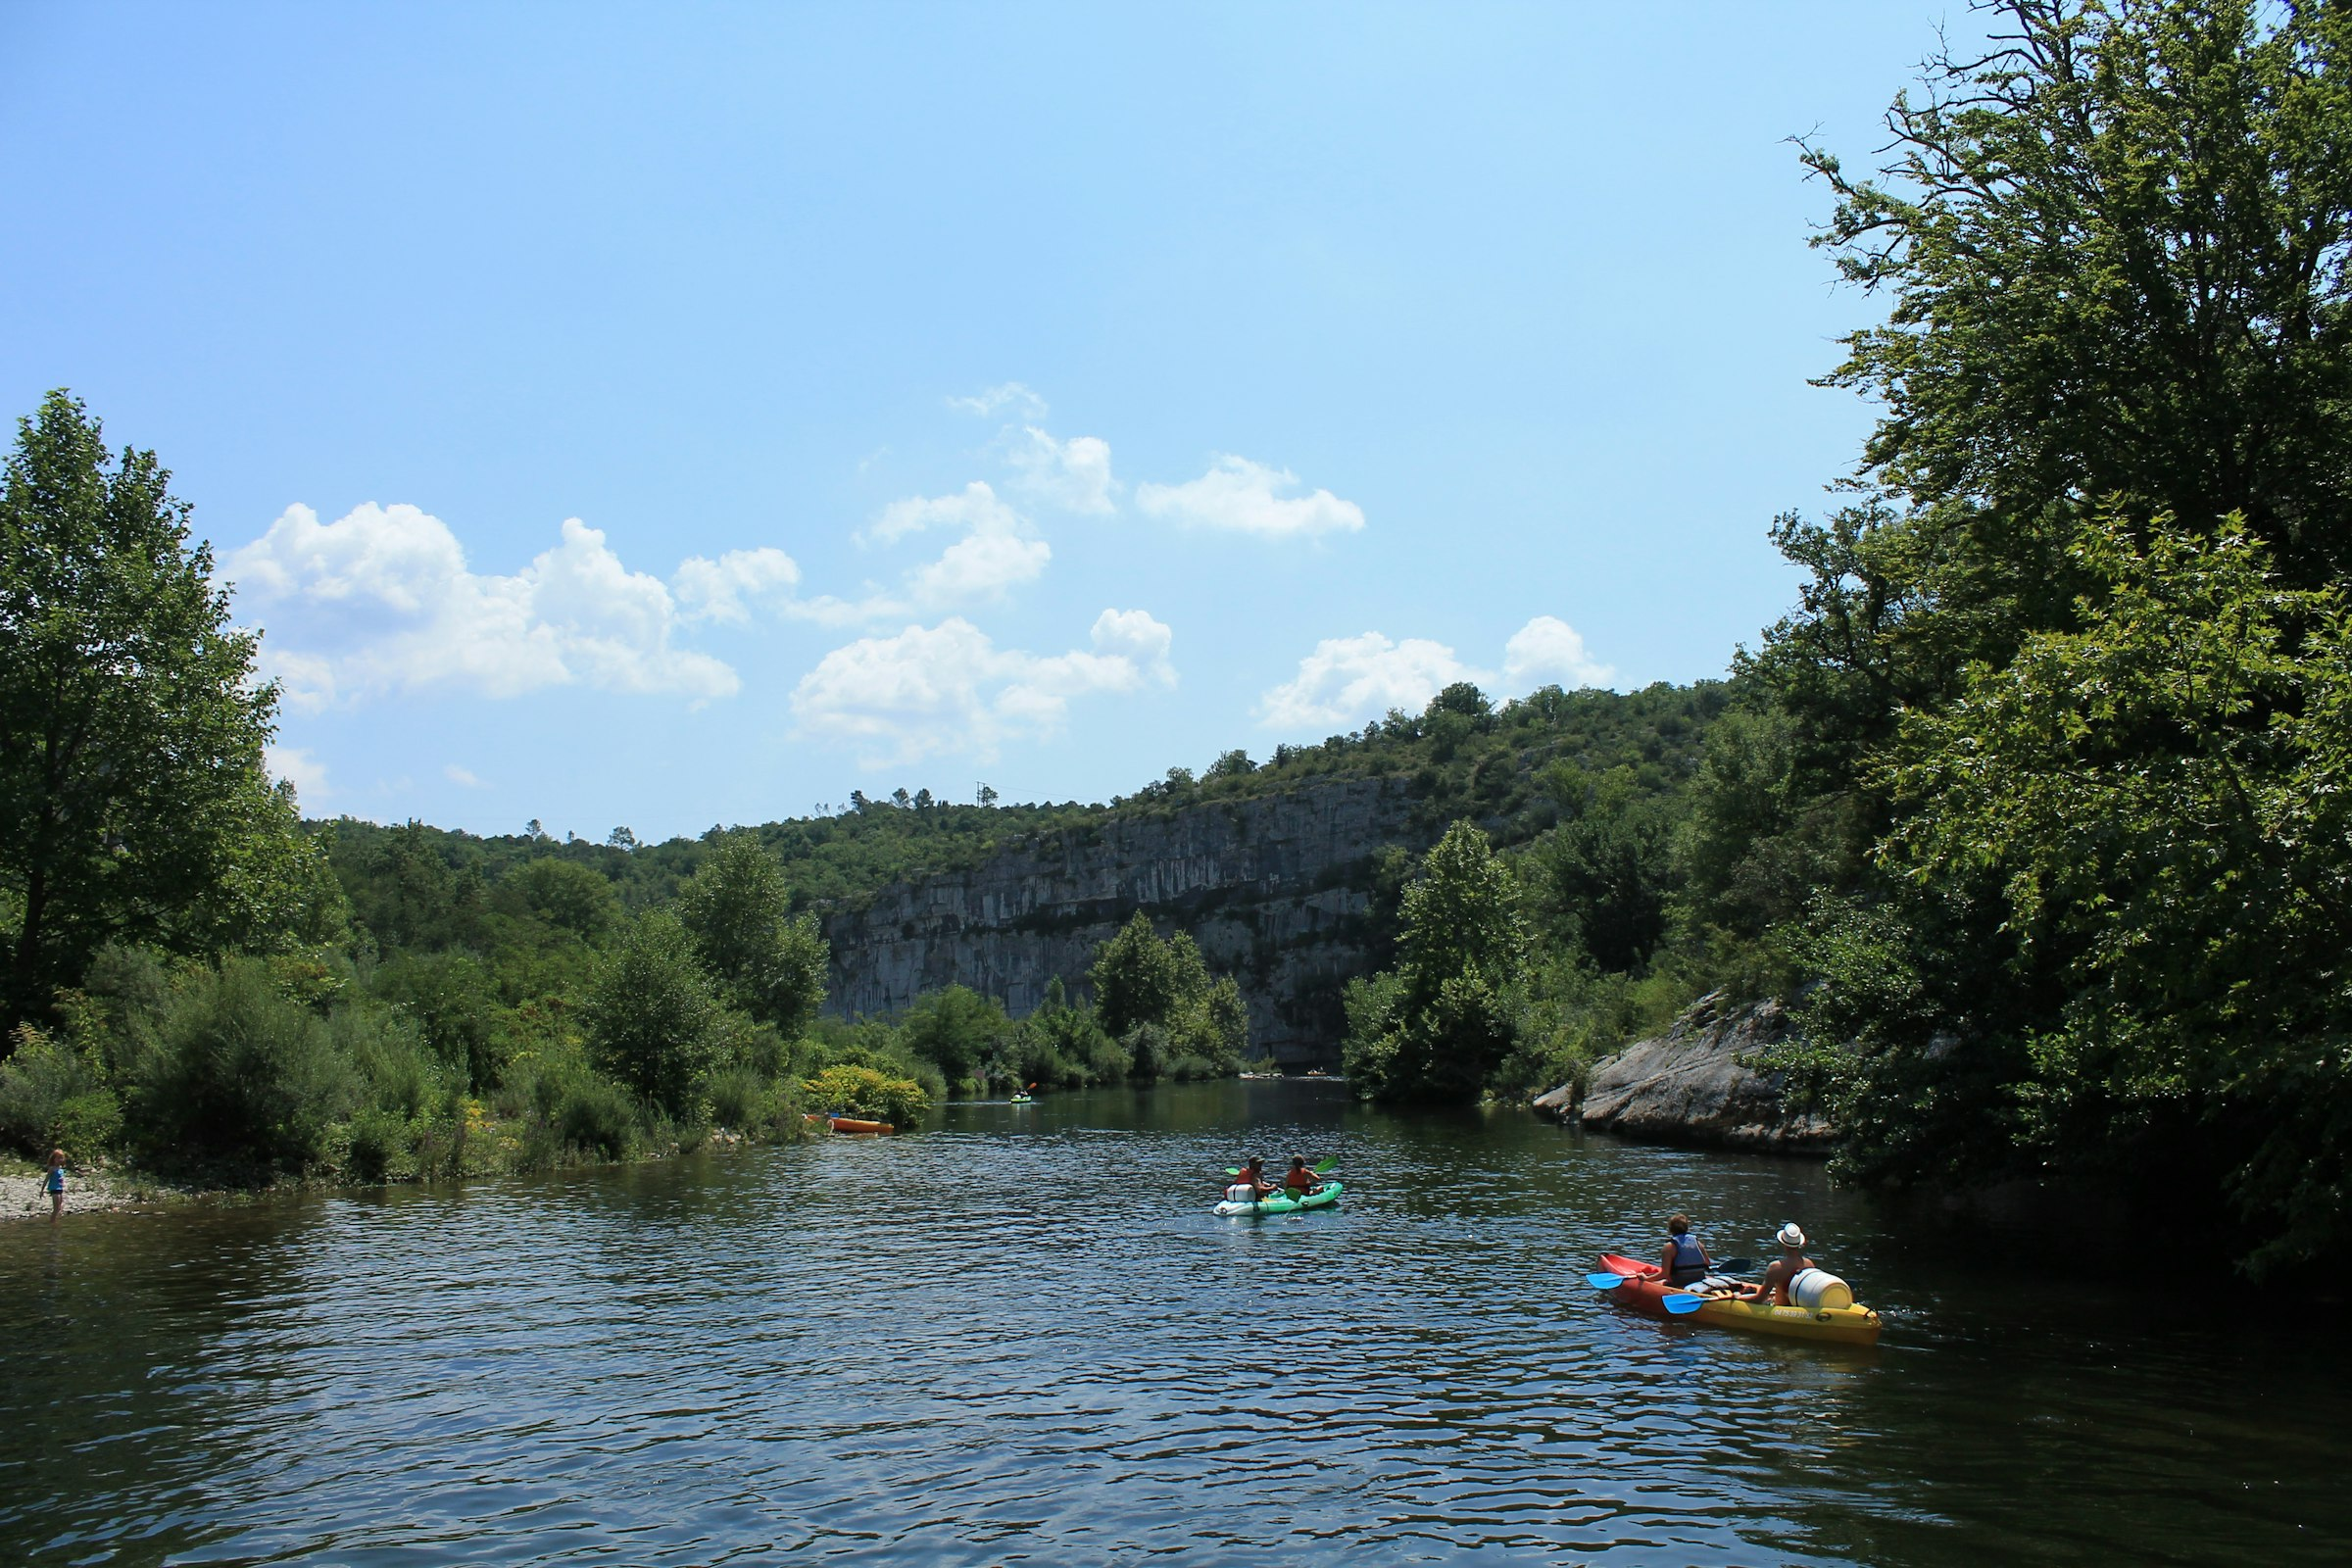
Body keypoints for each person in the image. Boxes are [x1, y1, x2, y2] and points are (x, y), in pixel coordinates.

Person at [1748, 1222, 1816, 1305]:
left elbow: (1759, 1299)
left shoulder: (1775, 1267)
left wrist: (1736, 1297)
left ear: (1783, 1243)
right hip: (1799, 1309)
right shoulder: (1809, 1264)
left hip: (1780, 1309)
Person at [1658, 1214, 1710, 1287]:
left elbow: (1665, 1274)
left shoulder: (1669, 1246)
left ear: (1670, 1229)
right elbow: (1707, 1263)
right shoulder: (1697, 1243)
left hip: (1680, 1284)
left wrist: (1646, 1278)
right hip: (1699, 1281)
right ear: (1687, 1227)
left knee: (1657, 1282)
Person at [44, 1148, 67, 1222]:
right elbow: (46, 1179)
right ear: (54, 1159)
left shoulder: (61, 1169)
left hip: (60, 1189)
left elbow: (61, 1179)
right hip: (54, 1189)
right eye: (58, 1158)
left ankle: (55, 1221)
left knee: (60, 1207)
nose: (60, 1159)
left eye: (61, 1158)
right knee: (56, 1208)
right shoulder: (52, 1169)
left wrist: (63, 1184)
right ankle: (52, 1223)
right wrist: (42, 1190)